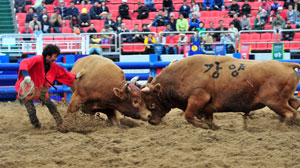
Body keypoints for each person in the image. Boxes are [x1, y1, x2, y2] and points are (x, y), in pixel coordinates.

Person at [15, 44, 82, 130]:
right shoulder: (37, 59)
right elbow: (24, 63)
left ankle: (60, 124)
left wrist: (75, 76)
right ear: (48, 55)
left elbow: (63, 73)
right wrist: (26, 76)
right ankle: (37, 127)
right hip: (26, 89)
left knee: (51, 105)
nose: (56, 59)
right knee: (31, 111)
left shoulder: (53, 65)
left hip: (40, 89)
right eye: (55, 56)